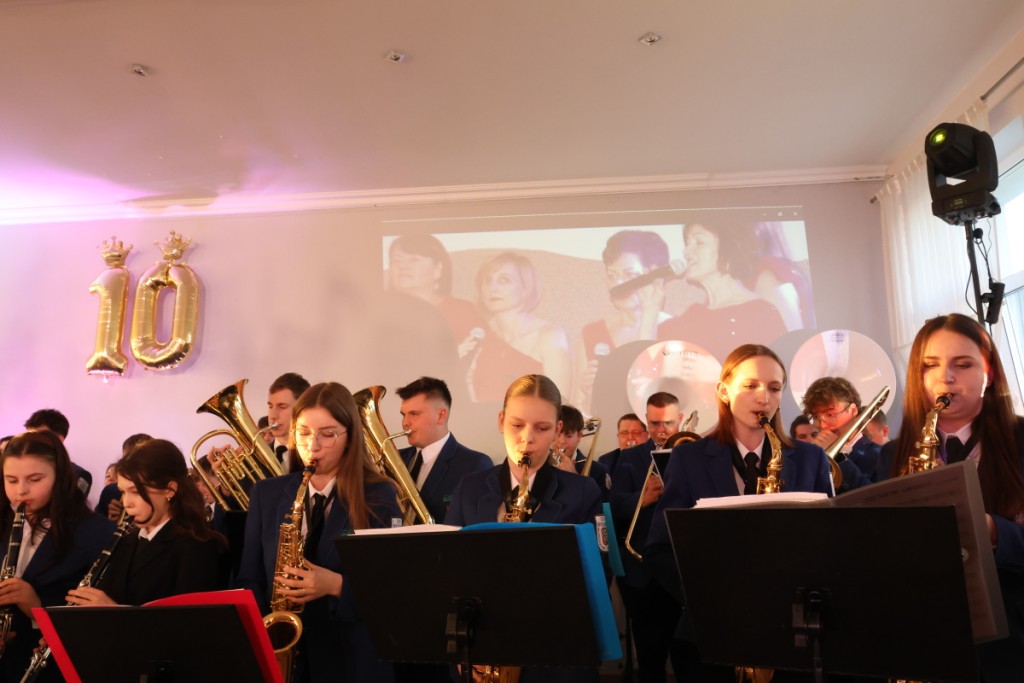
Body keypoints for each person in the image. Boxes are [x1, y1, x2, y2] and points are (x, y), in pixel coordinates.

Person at [644, 344, 834, 681]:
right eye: (750, 385)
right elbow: (659, 549)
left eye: (774, 388)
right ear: (723, 391)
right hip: (711, 631)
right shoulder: (688, 459)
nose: (763, 397)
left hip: (793, 633)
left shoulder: (811, 459)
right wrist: (708, 595)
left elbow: (831, 543)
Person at [879, 313, 1024, 681]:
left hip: (1011, 643)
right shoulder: (892, 454)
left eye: (963, 364)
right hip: (928, 638)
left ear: (990, 373)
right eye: (930, 365)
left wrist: (995, 531)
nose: (945, 377)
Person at [237, 382, 402, 683]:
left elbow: (392, 589)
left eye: (327, 434)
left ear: (350, 437)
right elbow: (250, 578)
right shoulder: (266, 493)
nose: (312, 446)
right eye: (303, 433)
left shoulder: (379, 495)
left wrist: (336, 585)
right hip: (284, 660)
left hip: (351, 662)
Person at [444, 374, 603, 683]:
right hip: (483, 649)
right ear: (501, 421)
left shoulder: (583, 492)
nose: (527, 439)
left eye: (542, 428)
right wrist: (465, 650)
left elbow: (594, 579)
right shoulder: (469, 488)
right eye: (517, 425)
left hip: (556, 657)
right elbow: (451, 575)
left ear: (558, 429)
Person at [0, 431, 115, 681]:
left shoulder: (96, 533)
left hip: (52, 669)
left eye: (35, 479)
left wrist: (38, 608)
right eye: (11, 480)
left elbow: (99, 623)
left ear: (60, 477)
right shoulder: (5, 520)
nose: (21, 491)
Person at [64, 439, 222, 608]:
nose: (127, 503)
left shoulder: (199, 545)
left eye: (136, 492)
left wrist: (113, 612)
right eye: (123, 492)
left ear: (169, 490)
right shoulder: (125, 541)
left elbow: (188, 620)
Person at [608, 392, 682, 683]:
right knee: (650, 659)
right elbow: (614, 506)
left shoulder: (693, 454)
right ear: (646, 421)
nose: (661, 431)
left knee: (687, 656)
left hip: (681, 568)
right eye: (654, 424)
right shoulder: (629, 458)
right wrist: (642, 498)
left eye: (668, 423)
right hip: (643, 571)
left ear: (680, 419)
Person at [657, 222, 787, 361]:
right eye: (687, 243)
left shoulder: (761, 312)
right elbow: (655, 361)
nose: (686, 251)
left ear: (727, 249)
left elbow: (772, 369)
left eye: (699, 242)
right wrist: (650, 309)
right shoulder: (693, 316)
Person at [574, 231, 673, 412]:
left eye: (629, 274)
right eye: (611, 275)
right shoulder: (591, 335)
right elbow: (580, 418)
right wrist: (588, 398)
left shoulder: (675, 331)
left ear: (654, 277)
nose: (618, 283)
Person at [464, 252, 571, 402]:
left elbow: (560, 405)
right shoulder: (479, 338)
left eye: (504, 280)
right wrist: (465, 377)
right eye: (487, 281)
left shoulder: (550, 336)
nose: (492, 288)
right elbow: (472, 406)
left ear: (525, 288)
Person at [395, 376, 492, 523]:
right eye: (404, 415)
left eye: (414, 414)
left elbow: (476, 525)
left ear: (441, 415)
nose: (405, 423)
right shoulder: (397, 458)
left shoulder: (474, 464)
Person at [387, 234, 485, 346]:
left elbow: (494, 350)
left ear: (437, 269)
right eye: (396, 260)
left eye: (414, 259)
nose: (403, 266)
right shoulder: (381, 314)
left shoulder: (461, 311)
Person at [801, 376, 878, 487]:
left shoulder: (878, 455)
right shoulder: (816, 453)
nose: (823, 425)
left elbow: (872, 495)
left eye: (830, 414)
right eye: (816, 417)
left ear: (853, 410)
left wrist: (838, 457)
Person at [23, 409, 93, 496]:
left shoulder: (79, 475)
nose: (32, 442)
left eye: (39, 436)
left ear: (59, 439)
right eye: (28, 436)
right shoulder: (18, 469)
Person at [552, 404, 611, 501]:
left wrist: (574, 477)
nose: (561, 441)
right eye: (557, 434)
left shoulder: (598, 470)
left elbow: (604, 508)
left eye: (569, 435)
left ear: (579, 436)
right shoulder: (539, 464)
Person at [96, 432, 152, 520]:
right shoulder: (110, 492)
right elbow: (96, 523)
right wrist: (109, 521)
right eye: (126, 460)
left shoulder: (155, 493)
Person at [266, 372, 312, 473]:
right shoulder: (256, 458)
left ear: (303, 409)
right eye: (270, 406)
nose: (273, 416)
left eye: (282, 407)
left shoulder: (314, 456)